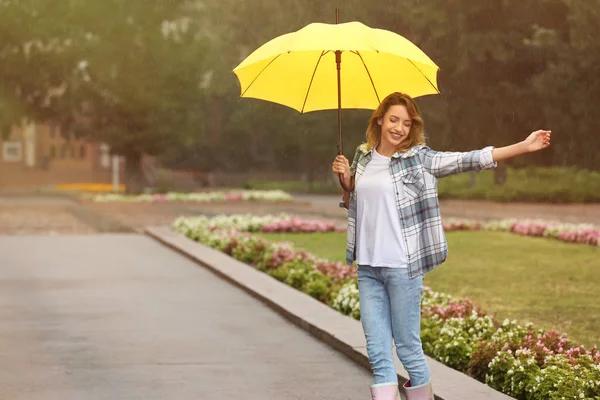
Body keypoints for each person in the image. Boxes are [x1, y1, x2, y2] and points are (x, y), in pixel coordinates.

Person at [331, 92, 551, 400]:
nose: (399, 128)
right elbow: (353, 199)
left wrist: (522, 146)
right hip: (368, 268)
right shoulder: (362, 157)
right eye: (393, 120)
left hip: (403, 268)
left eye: (406, 123)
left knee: (407, 348)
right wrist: (346, 182)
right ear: (379, 120)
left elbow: (467, 159)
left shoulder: (419, 158)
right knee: (378, 354)